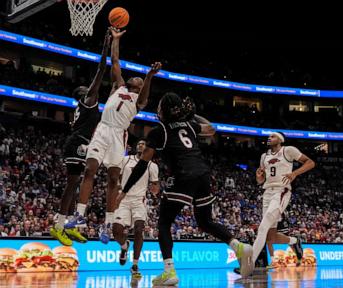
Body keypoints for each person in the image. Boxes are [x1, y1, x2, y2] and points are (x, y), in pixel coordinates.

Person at [117, 93, 253, 285]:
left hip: (183, 175)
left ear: (162, 110)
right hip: (204, 175)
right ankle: (238, 246)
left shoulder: (158, 131)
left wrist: (124, 190)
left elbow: (142, 165)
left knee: (164, 222)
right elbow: (211, 129)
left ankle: (169, 271)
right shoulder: (189, 125)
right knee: (205, 221)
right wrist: (193, 115)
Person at [65, 27, 162, 244]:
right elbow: (115, 61)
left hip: (119, 136)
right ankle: (79, 214)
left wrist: (149, 76)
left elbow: (146, 92)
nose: (134, 78)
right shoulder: (119, 86)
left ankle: (108, 225)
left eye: (139, 79)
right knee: (89, 169)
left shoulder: (140, 101)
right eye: (136, 77)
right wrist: (115, 41)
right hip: (103, 129)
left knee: (112, 179)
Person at [50, 30, 110, 246]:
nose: (93, 90)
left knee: (78, 184)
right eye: (88, 89)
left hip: (80, 144)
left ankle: (68, 223)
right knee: (73, 183)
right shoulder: (88, 101)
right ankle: (58, 226)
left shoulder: (81, 109)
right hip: (77, 145)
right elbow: (101, 70)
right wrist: (106, 47)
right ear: (84, 94)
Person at [247, 132, 315, 277]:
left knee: (263, 227)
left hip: (281, 191)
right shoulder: (263, 157)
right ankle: (294, 241)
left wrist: (295, 173)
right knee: (270, 238)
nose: (269, 138)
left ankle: (248, 264)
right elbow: (262, 180)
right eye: (268, 136)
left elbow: (310, 162)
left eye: (273, 136)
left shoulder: (288, 150)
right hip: (267, 193)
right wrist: (259, 178)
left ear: (280, 140)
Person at [112, 139, 160, 280]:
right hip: (124, 200)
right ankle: (124, 245)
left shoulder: (152, 165)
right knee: (116, 231)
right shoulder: (126, 160)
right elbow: (116, 176)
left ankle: (134, 265)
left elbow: (155, 187)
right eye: (138, 143)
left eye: (143, 143)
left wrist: (155, 189)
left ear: (148, 148)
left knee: (139, 229)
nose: (140, 145)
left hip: (139, 201)